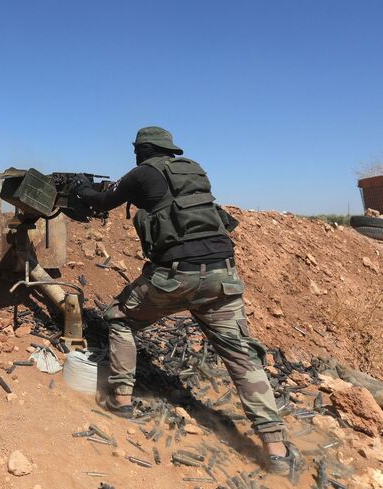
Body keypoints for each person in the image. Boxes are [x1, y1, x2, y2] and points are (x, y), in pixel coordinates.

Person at [66, 127, 300, 474]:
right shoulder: (194, 172)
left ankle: (121, 400)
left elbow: (102, 202)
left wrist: (78, 188)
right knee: (241, 356)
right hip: (223, 276)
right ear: (170, 150)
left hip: (175, 276)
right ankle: (276, 449)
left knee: (119, 318)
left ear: (140, 151)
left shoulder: (141, 173)